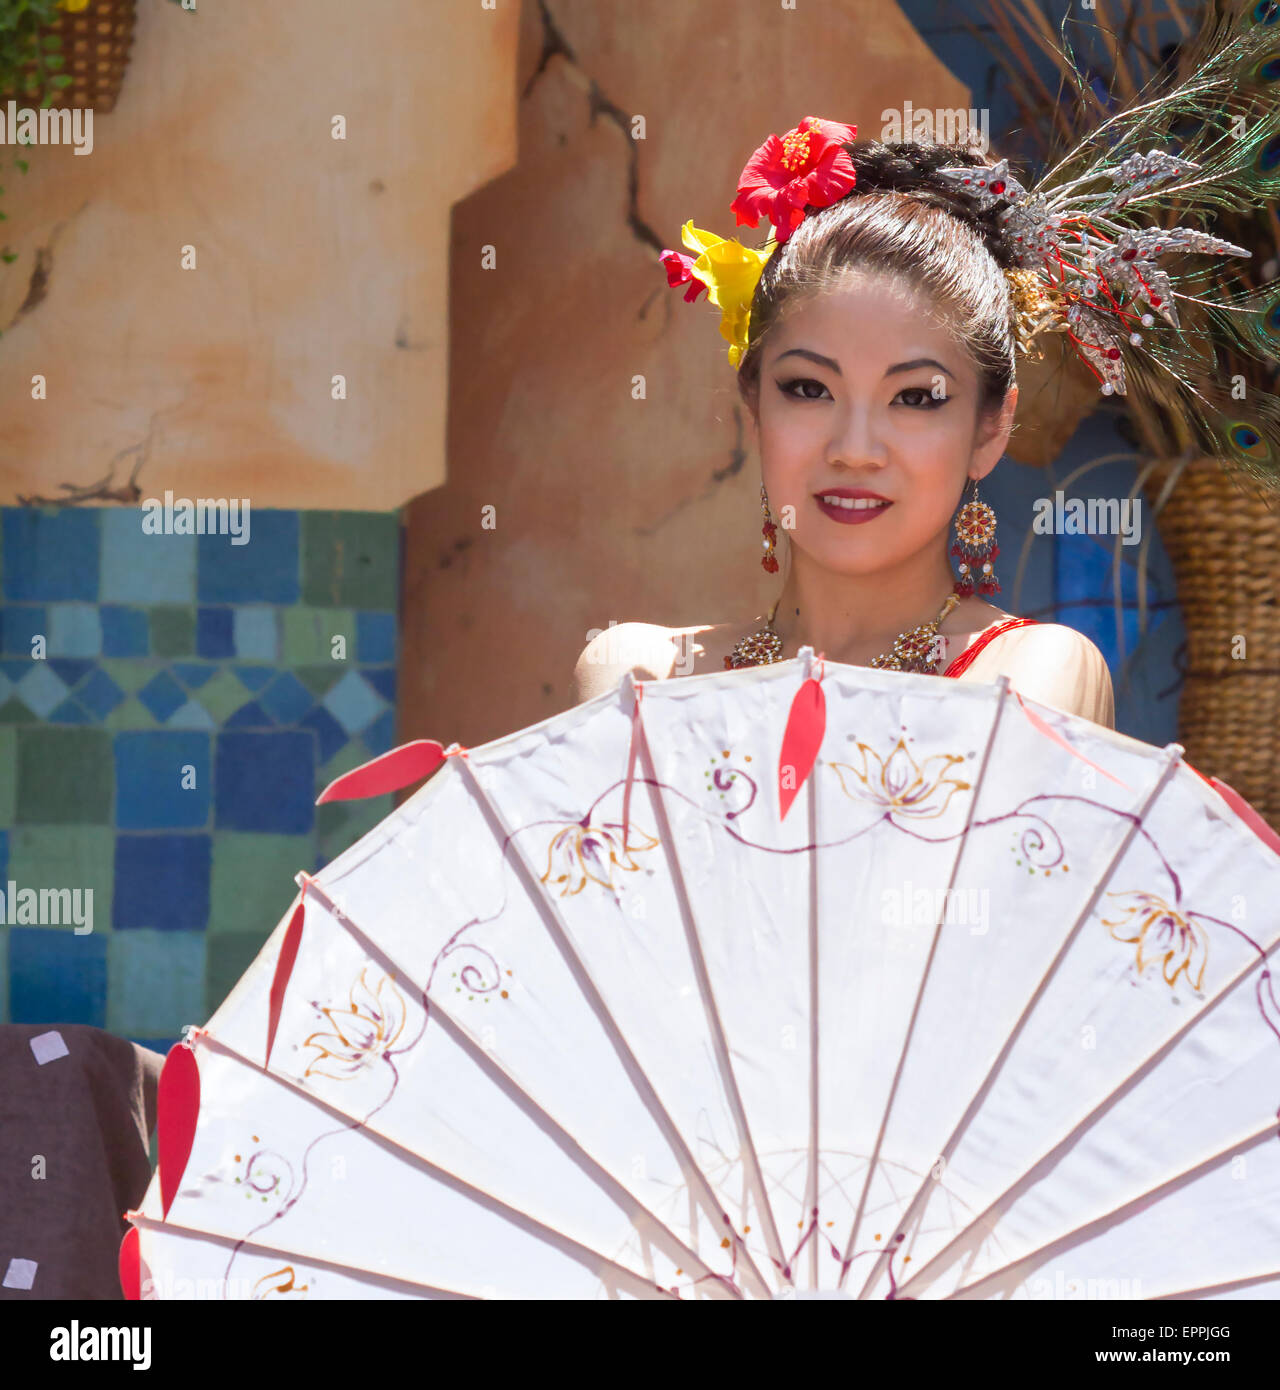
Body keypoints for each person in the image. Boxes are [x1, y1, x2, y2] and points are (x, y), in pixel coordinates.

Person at [572, 135, 1115, 728]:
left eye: (914, 398)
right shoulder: (639, 677)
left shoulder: (1032, 675)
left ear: (991, 429)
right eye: (809, 389)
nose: (854, 451)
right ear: (754, 406)